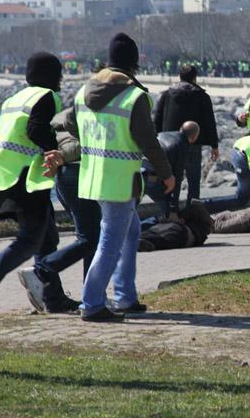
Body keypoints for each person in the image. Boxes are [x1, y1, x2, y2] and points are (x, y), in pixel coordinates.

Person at [63, 32, 175, 322]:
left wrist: (95, 139)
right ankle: (92, 303)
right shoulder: (134, 96)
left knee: (131, 231)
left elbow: (69, 124)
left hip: (93, 177)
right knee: (110, 242)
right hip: (121, 180)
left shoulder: (82, 92)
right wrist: (167, 174)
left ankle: (125, 296)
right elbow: (149, 142)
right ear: (134, 64)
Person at [0, 52, 77, 321]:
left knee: (47, 238)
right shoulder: (46, 96)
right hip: (26, 178)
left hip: (7, 174)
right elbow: (36, 131)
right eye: (58, 73)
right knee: (29, 241)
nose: (61, 78)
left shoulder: (15, 98)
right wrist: (56, 150)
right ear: (50, 75)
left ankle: (53, 297)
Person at [16, 128, 102, 313]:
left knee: (88, 238)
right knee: (90, 239)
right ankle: (42, 272)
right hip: (77, 171)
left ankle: (87, 297)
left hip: (64, 174)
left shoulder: (63, 118)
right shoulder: (87, 110)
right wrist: (59, 155)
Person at [154, 64, 219, 204]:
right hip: (192, 143)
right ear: (195, 78)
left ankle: (172, 211)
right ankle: (193, 213)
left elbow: (158, 118)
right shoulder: (202, 96)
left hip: (169, 144)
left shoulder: (167, 94)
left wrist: (156, 141)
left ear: (180, 77)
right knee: (194, 181)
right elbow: (209, 122)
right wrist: (214, 146)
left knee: (173, 179)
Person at [143, 121, 200, 219]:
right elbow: (176, 179)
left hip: (139, 170)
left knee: (129, 208)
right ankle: (149, 226)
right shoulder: (182, 146)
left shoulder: (163, 134)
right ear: (194, 137)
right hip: (153, 178)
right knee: (167, 215)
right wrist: (173, 207)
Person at [138, 200, 213, 252]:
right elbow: (196, 208)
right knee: (163, 239)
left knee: (155, 233)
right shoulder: (204, 226)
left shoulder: (204, 226)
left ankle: (135, 241)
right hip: (183, 231)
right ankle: (139, 242)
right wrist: (182, 217)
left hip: (178, 229)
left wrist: (181, 217)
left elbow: (196, 207)